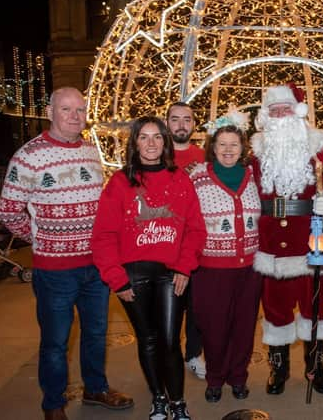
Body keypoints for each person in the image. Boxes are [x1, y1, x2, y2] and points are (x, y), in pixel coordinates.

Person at [0, 87, 134, 420]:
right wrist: (42, 237)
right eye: (66, 109)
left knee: (96, 334)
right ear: (50, 112)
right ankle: (54, 403)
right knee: (56, 342)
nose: (75, 116)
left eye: (80, 110)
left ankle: (96, 388)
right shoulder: (28, 156)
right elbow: (8, 210)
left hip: (95, 266)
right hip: (54, 270)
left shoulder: (90, 151)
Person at [92, 116, 206, 420]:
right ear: (135, 143)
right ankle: (158, 397)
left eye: (157, 137)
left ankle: (178, 401)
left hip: (171, 272)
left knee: (170, 340)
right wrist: (117, 278)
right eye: (144, 137)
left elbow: (195, 229)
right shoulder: (119, 182)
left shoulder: (180, 179)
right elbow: (103, 235)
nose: (151, 143)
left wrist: (184, 268)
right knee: (148, 339)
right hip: (133, 274)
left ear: (165, 142)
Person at [251, 84, 323, 395]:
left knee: (313, 308)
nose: (280, 115)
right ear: (266, 115)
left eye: (286, 109)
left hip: (310, 243)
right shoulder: (256, 152)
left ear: (299, 112)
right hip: (271, 244)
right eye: (274, 110)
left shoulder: (320, 146)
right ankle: (279, 368)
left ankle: (315, 366)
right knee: (275, 308)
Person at [188, 110, 262, 403]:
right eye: (222, 144)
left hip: (250, 268)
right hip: (211, 269)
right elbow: (186, 221)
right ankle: (215, 378)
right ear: (213, 147)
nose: (228, 150)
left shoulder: (252, 176)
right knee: (214, 326)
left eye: (234, 144)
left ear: (243, 148)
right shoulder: (197, 177)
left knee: (244, 325)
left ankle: (239, 377)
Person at [166, 102, 206, 380]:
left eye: (187, 119)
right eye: (175, 119)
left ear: (193, 124)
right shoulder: (156, 153)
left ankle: (193, 354)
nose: (181, 124)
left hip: (196, 243)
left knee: (197, 307)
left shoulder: (204, 156)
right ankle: (167, 359)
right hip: (165, 246)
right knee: (168, 310)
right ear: (167, 123)